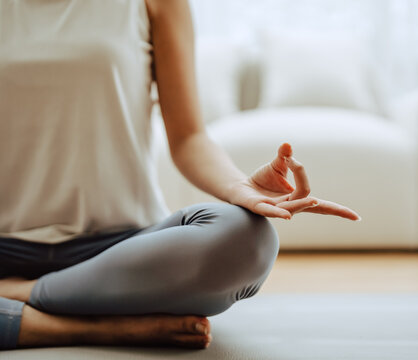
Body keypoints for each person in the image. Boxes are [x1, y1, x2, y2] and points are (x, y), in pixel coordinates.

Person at [0, 0, 360, 350]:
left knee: (248, 238)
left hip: (122, 250)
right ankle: (95, 325)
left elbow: (189, 138)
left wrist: (240, 188)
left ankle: (17, 296)